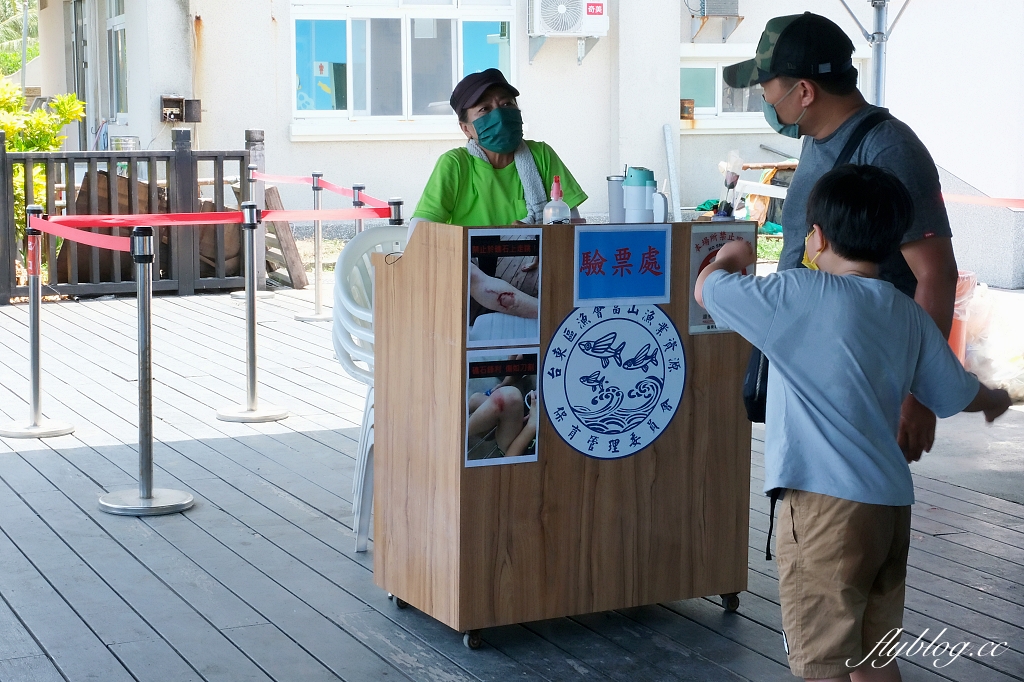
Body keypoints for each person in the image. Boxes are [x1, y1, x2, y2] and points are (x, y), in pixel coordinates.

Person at [694, 165, 1011, 682]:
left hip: (823, 509)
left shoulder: (796, 294)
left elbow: (710, 290)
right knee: (873, 656)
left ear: (816, 238)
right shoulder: (904, 312)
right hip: (888, 507)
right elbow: (953, 392)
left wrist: (732, 254)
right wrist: (993, 398)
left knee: (824, 664)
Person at [723, 12, 960, 463]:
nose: (764, 99)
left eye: (767, 88)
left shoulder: (888, 150)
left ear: (805, 92)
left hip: (858, 385)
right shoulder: (819, 138)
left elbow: (937, 275)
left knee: (842, 519)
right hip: (812, 380)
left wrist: (921, 395)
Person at [409, 68, 587, 238]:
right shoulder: (455, 164)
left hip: (534, 266)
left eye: (506, 103)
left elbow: (571, 227)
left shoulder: (541, 155)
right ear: (466, 129)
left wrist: (536, 241)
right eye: (484, 109)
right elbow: (419, 231)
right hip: (470, 267)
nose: (500, 115)